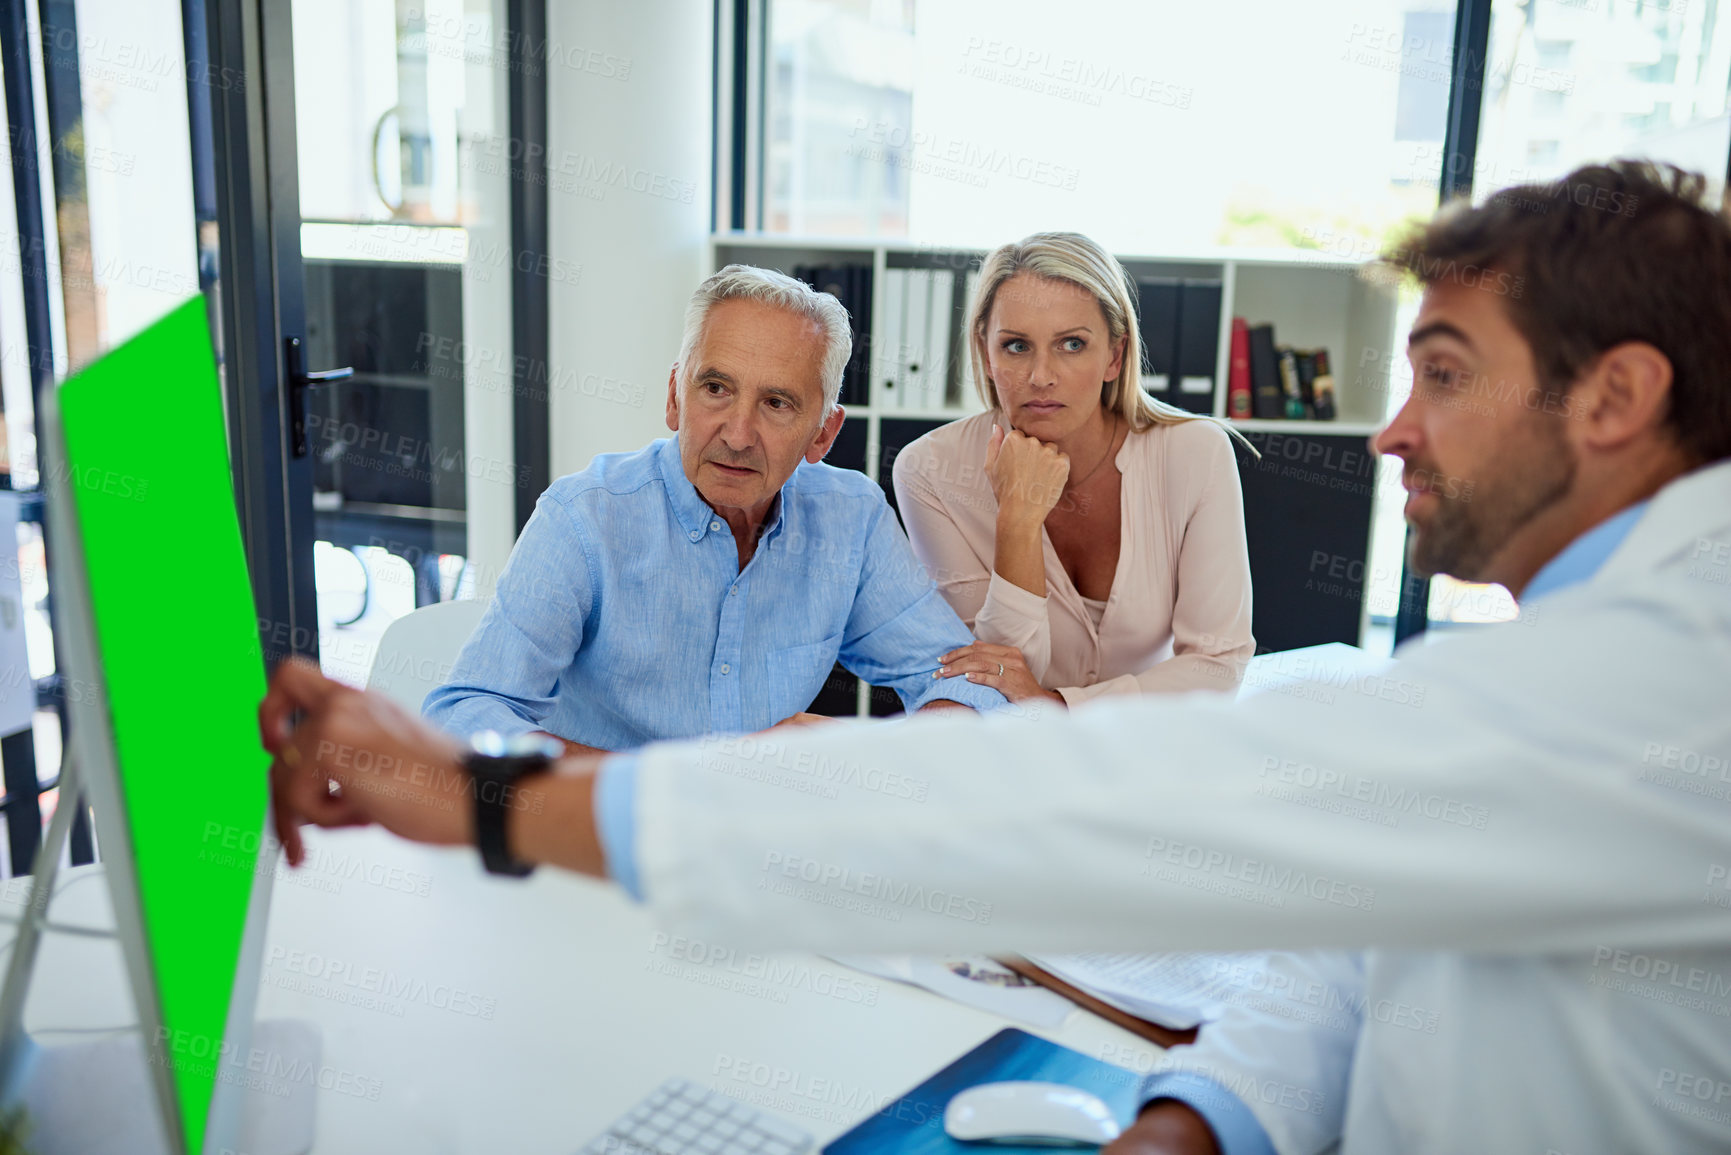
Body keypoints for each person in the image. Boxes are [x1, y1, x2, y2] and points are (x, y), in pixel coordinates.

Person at [264, 162, 1731, 1154]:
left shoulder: (1663, 680)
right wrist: (1198, 1112)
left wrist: (490, 798)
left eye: (1444, 374)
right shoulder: (1614, 634)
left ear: (1613, 397)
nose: (1391, 430)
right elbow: (1359, 933)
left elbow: (1068, 783)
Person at [422, 264, 1003, 753]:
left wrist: (845, 755)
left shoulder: (851, 519)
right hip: (595, 842)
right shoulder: (584, 519)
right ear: (675, 396)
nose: (739, 433)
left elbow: (968, 685)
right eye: (716, 388)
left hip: (758, 853)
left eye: (776, 403)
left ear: (822, 436)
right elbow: (466, 717)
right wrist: (672, 787)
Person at [892, 233, 1254, 707]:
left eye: (1072, 344)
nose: (1041, 376)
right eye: (1017, 346)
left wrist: (1057, 706)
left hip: (1152, 748)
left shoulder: (1196, 452)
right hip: (1014, 754)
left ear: (1114, 356)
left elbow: (1218, 663)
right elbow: (994, 676)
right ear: (986, 352)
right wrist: (1017, 522)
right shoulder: (930, 470)